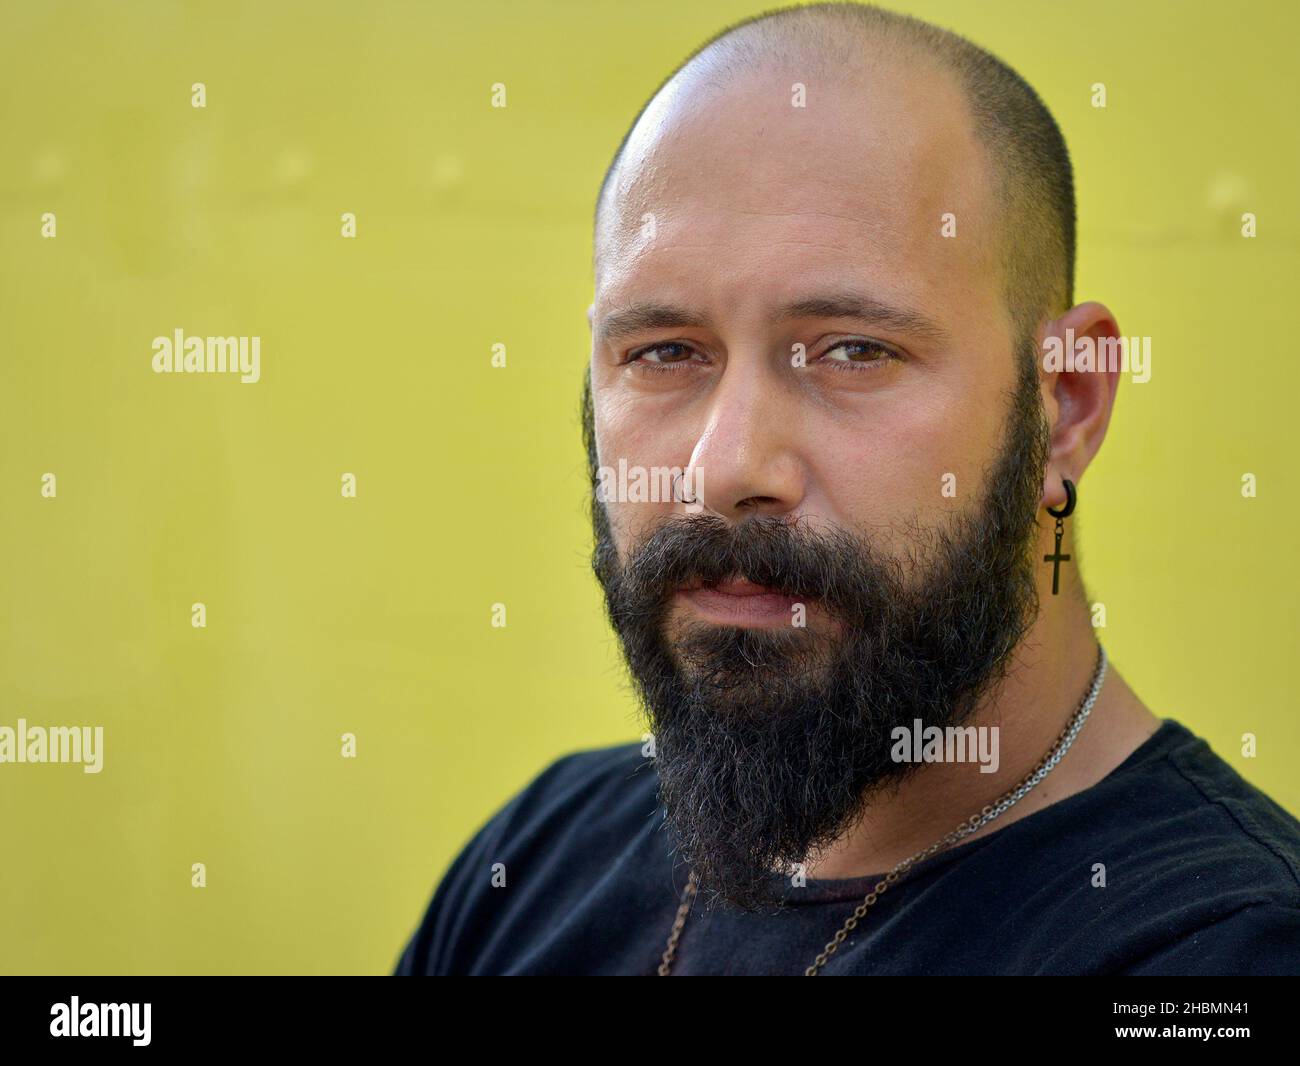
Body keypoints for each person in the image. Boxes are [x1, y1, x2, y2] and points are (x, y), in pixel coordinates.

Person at [395, 2, 1300, 975]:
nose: (724, 468)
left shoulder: (1218, 955)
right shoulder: (532, 865)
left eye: (853, 351)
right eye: (663, 351)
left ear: (1065, 406)